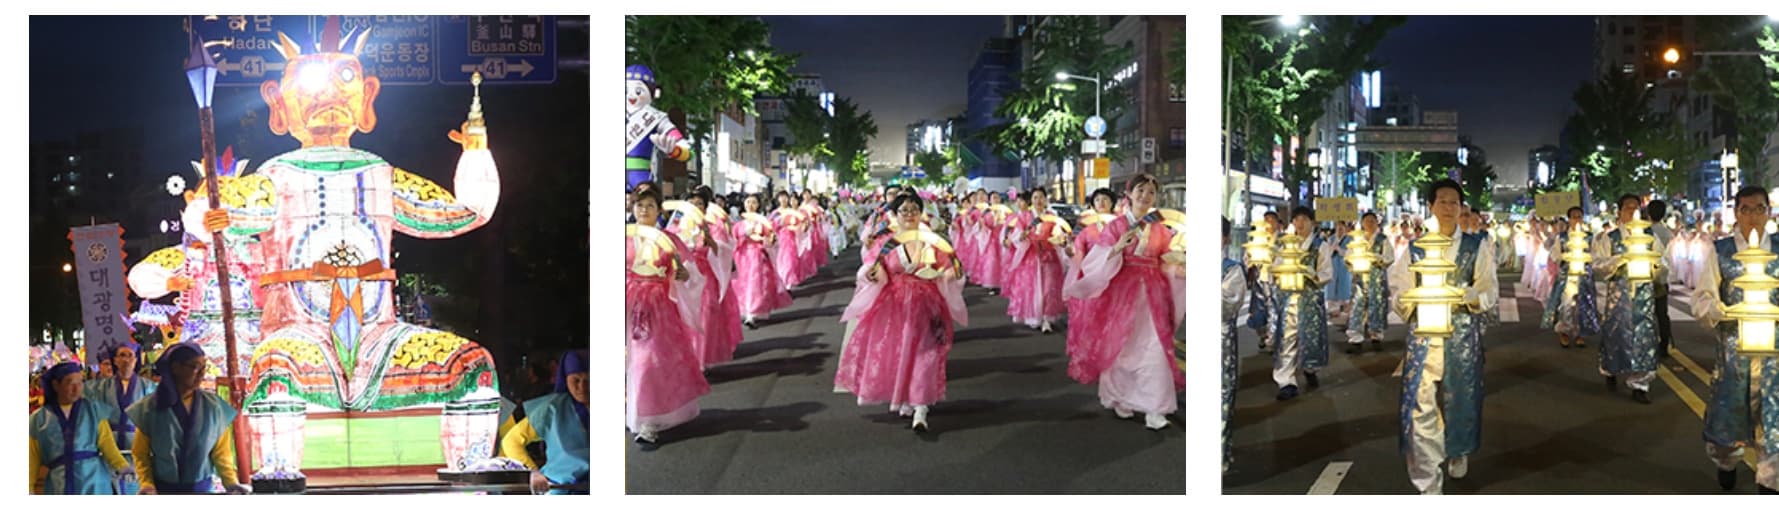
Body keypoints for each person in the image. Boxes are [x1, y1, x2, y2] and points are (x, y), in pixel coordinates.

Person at [1386, 179, 1496, 495]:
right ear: (1431, 206)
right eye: (1442, 201)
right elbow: (1399, 289)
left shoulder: (1477, 247)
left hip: (1461, 336)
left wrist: (1465, 295)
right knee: (1420, 408)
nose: (1449, 208)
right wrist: (1413, 300)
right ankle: (1427, 481)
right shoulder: (1415, 249)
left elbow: (1489, 290)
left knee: (1461, 397)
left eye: (1454, 202)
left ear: (1461, 207)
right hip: (1423, 337)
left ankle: (1458, 449)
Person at [834, 193, 967, 431]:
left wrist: (951, 274)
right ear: (894, 215)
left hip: (928, 304)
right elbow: (874, 269)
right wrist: (872, 274)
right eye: (904, 210)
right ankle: (905, 397)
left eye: (914, 209)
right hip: (894, 307)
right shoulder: (886, 243)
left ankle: (921, 407)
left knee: (926, 354)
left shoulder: (933, 242)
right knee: (899, 352)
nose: (909, 215)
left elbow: (948, 269)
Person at [1063, 175, 1186, 430]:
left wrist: (1180, 265)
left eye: (1151, 192)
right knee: (1121, 346)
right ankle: (1121, 396)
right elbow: (1094, 261)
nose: (1145, 196)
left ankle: (1156, 408)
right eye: (1141, 190)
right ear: (1129, 194)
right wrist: (1116, 248)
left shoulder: (1162, 230)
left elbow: (1166, 261)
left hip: (1153, 294)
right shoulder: (1116, 227)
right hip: (1122, 292)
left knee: (1155, 348)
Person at [1687, 186, 1779, 494]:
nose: (1753, 216)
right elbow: (1702, 297)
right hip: (1734, 350)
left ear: (1768, 211)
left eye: (1759, 209)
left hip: (1775, 351)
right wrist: (1722, 310)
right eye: (1746, 209)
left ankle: (1770, 480)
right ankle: (1727, 461)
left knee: (1774, 417)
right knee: (1729, 416)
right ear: (1735, 213)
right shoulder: (1721, 250)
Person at [625, 189, 710, 445]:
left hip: (660, 306)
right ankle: (641, 415)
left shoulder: (670, 240)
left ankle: (650, 418)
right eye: (639, 205)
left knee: (653, 360)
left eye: (650, 205)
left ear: (659, 210)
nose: (644, 210)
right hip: (628, 304)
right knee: (634, 361)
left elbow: (690, 271)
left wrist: (684, 277)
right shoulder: (624, 239)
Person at [126, 343, 249, 494]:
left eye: (205, 367)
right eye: (196, 367)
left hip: (202, 492)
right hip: (164, 492)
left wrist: (231, 482)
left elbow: (221, 452)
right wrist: (147, 484)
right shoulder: (149, 408)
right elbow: (140, 453)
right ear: (176, 368)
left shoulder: (213, 406)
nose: (202, 373)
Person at [1593, 194, 1665, 404]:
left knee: (1644, 337)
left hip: (1644, 294)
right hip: (1619, 294)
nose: (1632, 212)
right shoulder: (1611, 237)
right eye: (1627, 208)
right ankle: (1610, 370)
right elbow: (1598, 264)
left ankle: (1640, 384)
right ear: (1620, 212)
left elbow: (1664, 262)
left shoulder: (1650, 235)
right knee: (1616, 334)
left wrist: (1653, 267)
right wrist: (1619, 260)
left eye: (1636, 208)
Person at [29, 362, 130, 494]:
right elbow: (32, 457)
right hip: (58, 484)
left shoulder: (93, 410)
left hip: (94, 482)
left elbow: (106, 444)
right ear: (56, 385)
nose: (77, 388)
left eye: (80, 382)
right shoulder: (39, 419)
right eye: (70, 383)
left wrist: (122, 466)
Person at [1270, 206, 1334, 401]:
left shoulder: (1320, 246)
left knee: (1310, 338)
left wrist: (1312, 275)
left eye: (1304, 219)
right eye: (1296, 220)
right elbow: (1276, 266)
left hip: (1310, 299)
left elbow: (1326, 272)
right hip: (1289, 298)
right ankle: (1286, 381)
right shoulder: (1286, 245)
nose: (1300, 224)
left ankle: (1309, 368)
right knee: (1287, 339)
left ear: (1312, 222)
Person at [502, 349, 589, 494]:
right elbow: (511, 441)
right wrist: (533, 473)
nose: (582, 387)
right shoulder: (552, 408)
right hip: (560, 490)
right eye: (576, 380)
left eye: (589, 380)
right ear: (565, 378)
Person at [83, 343, 156, 494]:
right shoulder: (99, 387)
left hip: (136, 444)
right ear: (115, 360)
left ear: (136, 360)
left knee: (134, 486)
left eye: (130, 355)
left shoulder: (148, 387)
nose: (126, 360)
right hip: (108, 446)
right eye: (122, 355)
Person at [1005, 190, 1067, 332]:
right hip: (1031, 256)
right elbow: (1016, 236)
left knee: (1049, 287)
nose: (1038, 200)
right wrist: (1023, 235)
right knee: (1032, 287)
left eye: (1041, 197)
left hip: (1049, 255)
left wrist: (1058, 239)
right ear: (1031, 200)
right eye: (1035, 197)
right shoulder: (1025, 217)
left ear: (1046, 200)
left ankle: (1046, 317)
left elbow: (1058, 232)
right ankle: (1034, 316)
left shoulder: (1052, 217)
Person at [1541, 207, 1600, 348]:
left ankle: (1580, 333)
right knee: (1566, 304)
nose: (1577, 219)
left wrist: (1589, 260)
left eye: (1579, 216)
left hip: (1584, 274)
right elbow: (1554, 254)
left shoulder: (1590, 237)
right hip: (1567, 274)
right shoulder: (1562, 237)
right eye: (1574, 216)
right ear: (1569, 219)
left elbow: (1596, 254)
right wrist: (1563, 258)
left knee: (1583, 304)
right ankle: (1565, 331)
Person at [732, 194, 792, 328]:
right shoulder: (739, 225)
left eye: (753, 202)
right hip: (742, 257)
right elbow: (733, 241)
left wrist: (768, 241)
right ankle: (747, 310)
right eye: (748, 202)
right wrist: (743, 236)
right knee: (742, 284)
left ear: (758, 205)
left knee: (756, 284)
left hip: (757, 255)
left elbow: (770, 240)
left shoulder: (763, 222)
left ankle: (752, 312)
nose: (750, 205)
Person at [1346, 212, 1394, 353]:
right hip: (1360, 278)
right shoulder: (1357, 240)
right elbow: (1348, 257)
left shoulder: (1382, 239)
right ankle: (1355, 338)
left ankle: (1376, 336)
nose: (1369, 224)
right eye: (1366, 221)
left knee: (1377, 306)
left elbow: (1389, 257)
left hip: (1376, 278)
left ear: (1377, 223)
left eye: (1372, 221)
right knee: (1357, 306)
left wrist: (1374, 257)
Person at [1221, 218, 1248, 473]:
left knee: (1221, 394)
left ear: (1225, 239)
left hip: (1221, 337)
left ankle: (1219, 454)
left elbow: (1229, 305)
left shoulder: (1232, 269)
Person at [1247, 211, 1283, 353]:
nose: (1268, 223)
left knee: (1273, 309)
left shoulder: (1282, 241)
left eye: (1271, 220)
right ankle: (1262, 334)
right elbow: (1248, 258)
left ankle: (1271, 339)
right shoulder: (1258, 239)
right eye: (1266, 220)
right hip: (1259, 279)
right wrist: (1251, 259)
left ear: (1277, 223)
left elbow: (1283, 258)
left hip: (1273, 279)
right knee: (1258, 309)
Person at [1647, 199, 1675, 360]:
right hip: (1662, 278)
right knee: (1662, 313)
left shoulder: (1647, 232)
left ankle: (1649, 343)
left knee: (1647, 313)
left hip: (1646, 275)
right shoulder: (1668, 233)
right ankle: (1664, 344)